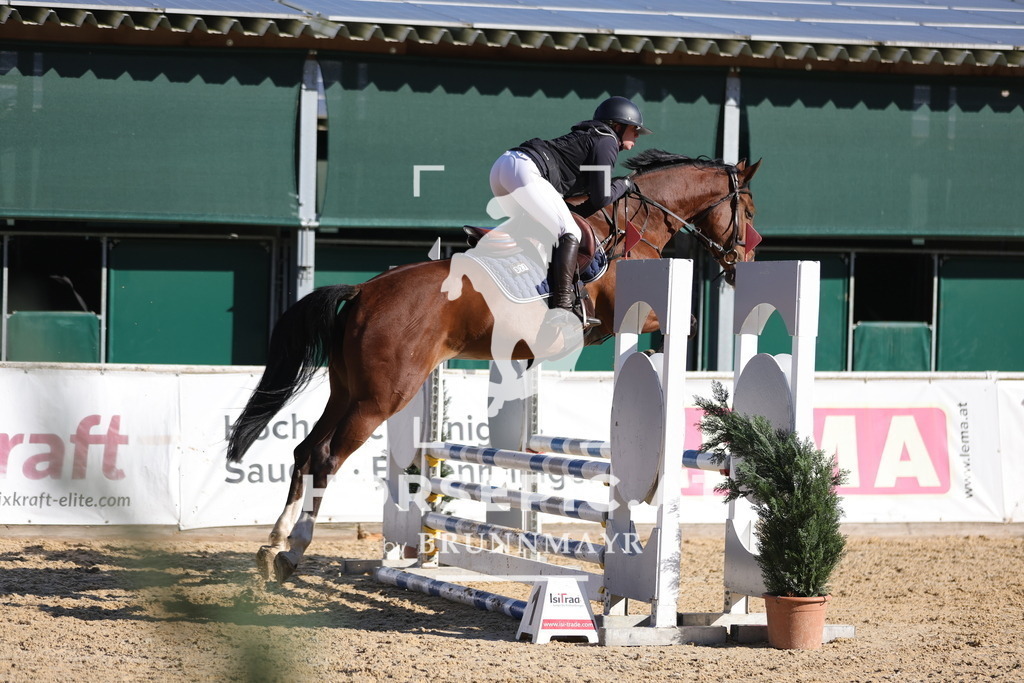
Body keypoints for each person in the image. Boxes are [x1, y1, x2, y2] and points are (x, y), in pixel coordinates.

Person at [489, 96, 652, 328]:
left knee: (541, 233)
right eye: (634, 129)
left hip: (505, 168)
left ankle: (525, 288)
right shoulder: (606, 140)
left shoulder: (595, 137)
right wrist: (624, 185)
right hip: (525, 170)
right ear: (618, 126)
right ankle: (563, 306)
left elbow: (592, 199)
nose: (637, 135)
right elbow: (603, 197)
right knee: (570, 232)